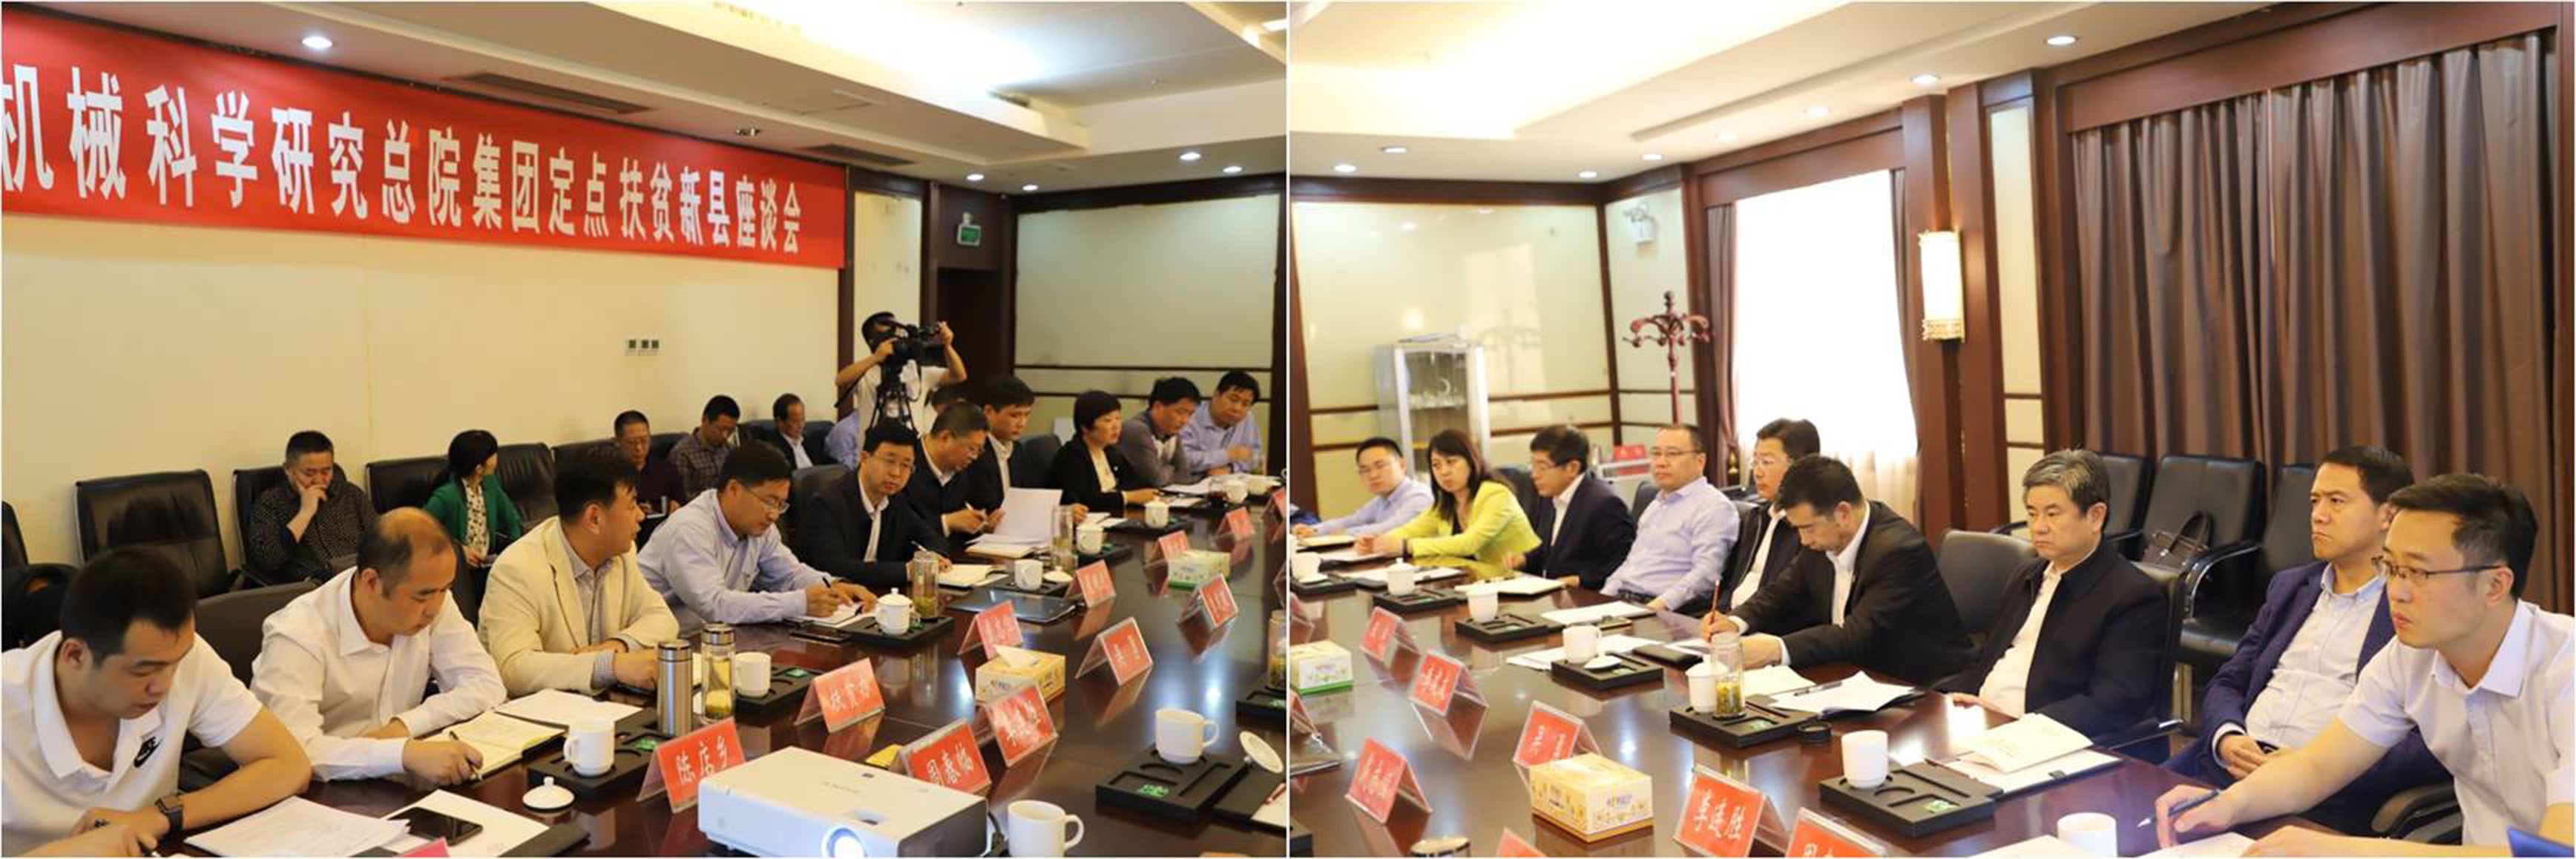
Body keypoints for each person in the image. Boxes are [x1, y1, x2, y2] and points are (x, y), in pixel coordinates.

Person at [2160, 474, 2573, 855]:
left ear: (2494, 585)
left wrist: (2348, 850)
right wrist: (2227, 805)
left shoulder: (2564, 667)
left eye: (2418, 572)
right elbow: (2317, 767)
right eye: (2390, 567)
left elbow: (2556, 854)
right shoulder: (2409, 658)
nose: (2397, 591)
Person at [2164, 446, 2447, 834]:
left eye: (2337, 501)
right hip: (2225, 767)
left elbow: (2429, 741)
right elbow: (2230, 680)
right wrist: (2228, 736)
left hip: (2324, 800)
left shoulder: (2412, 605)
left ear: (2389, 515)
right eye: (2315, 501)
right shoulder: (2291, 587)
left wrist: (2316, 765)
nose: (2318, 515)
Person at [1, 550, 312, 855]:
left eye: (177, 663)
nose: (164, 686)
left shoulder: (175, 653)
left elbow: (288, 764)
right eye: (143, 672)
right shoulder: (8, 704)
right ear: (76, 656)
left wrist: (159, 816)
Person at [250, 510, 505, 784]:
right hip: (323, 789)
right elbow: (293, 754)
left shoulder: (433, 597)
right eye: (423, 596)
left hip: (399, 781)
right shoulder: (298, 634)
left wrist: (404, 726)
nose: (435, 608)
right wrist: (401, 753)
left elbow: (486, 685)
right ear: (372, 582)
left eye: (445, 589)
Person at [1937, 450, 2166, 740]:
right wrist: (1946, 697)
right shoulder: (2028, 574)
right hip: (1984, 723)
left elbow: (2113, 703)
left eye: (2052, 514)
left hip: (2044, 739)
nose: (2038, 527)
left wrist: (2021, 726)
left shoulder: (2133, 596)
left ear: (2095, 516)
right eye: (2032, 513)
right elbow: (1987, 660)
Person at [1702, 455, 1971, 685]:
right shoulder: (1824, 537)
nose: (1803, 540)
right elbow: (1784, 591)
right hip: (1852, 673)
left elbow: (1856, 634)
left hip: (1916, 681)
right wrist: (1736, 621)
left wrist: (1776, 649)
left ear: (1843, 513)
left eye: (1808, 528)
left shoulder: (1898, 550)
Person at [477, 451, 677, 697]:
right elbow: (513, 669)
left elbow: (662, 618)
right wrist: (610, 666)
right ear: (594, 518)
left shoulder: (621, 553)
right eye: (632, 504)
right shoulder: (517, 568)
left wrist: (617, 647)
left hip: (604, 707)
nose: (641, 515)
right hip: (542, 714)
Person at [640, 445, 872, 628]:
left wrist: (835, 585)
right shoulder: (691, 528)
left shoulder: (759, 527)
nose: (774, 515)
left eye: (780, 504)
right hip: (662, 646)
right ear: (734, 489)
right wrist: (799, 603)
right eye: (769, 501)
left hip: (713, 639)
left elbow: (789, 574)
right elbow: (715, 605)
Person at [1587, 425, 1741, 610]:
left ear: (1700, 461)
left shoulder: (1714, 507)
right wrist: (1602, 601)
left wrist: (1654, 608)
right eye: (1656, 454)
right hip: (1625, 602)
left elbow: (1705, 575)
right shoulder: (1656, 504)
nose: (1661, 462)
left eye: (1672, 454)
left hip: (1664, 608)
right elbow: (1630, 565)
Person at [1353, 429, 1539, 579]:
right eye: (1436, 465)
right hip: (1479, 581)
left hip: (1524, 579)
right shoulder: (1447, 501)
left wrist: (1406, 546)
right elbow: (1413, 529)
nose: (1444, 471)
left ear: (1471, 461)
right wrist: (1377, 542)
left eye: (1451, 462)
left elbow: (1469, 543)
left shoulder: (1495, 494)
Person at [795, 424, 950, 590]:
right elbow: (835, 567)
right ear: (864, 458)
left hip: (878, 595)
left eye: (906, 465)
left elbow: (930, 537)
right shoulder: (827, 503)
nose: (896, 473)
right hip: (834, 598)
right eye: (889, 461)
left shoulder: (895, 501)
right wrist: (906, 571)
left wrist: (935, 557)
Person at [1511, 425, 1634, 590]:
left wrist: (1581, 580)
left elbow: (1624, 563)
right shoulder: (1550, 494)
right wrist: (1524, 559)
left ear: (1572, 468)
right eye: (1532, 466)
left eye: (1542, 467)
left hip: (1587, 597)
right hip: (1553, 592)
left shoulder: (1604, 504)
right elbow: (1550, 551)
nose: (1535, 475)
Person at [244, 430, 377, 581]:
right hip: (311, 588)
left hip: (359, 579)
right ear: (288, 470)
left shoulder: (350, 494)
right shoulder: (270, 503)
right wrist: (305, 514)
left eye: (326, 471)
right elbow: (269, 560)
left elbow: (379, 539)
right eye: (309, 474)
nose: (319, 480)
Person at [1716, 418, 1818, 613]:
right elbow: (1732, 584)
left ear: (1801, 466)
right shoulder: (1756, 518)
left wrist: (1737, 621)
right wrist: (1718, 614)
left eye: (1767, 462)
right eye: (1755, 462)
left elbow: (1790, 600)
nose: (1757, 472)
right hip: (1730, 619)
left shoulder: (1809, 528)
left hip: (1763, 625)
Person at [829, 313, 967, 446]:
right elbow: (840, 380)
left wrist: (947, 346)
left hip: (911, 452)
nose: (897, 339)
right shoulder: (866, 373)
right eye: (889, 335)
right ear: (874, 342)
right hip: (873, 454)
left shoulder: (916, 371)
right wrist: (876, 358)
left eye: (898, 334)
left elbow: (958, 376)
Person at [1293, 438, 1433, 539]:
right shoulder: (1382, 500)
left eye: (1380, 466)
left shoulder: (1419, 497)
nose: (1373, 475)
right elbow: (1352, 520)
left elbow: (1389, 529)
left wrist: (1343, 534)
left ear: (1402, 465)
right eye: (1365, 470)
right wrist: (1315, 530)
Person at [422, 430, 525, 568]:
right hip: (459, 569)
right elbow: (421, 533)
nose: (497, 456)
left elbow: (511, 520)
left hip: (486, 563)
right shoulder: (446, 496)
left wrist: (516, 550)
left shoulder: (489, 483)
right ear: (479, 468)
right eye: (493, 454)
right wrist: (458, 551)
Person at [899, 404, 997, 549]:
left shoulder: (960, 469)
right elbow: (898, 532)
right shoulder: (904, 465)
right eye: (972, 449)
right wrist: (947, 523)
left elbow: (959, 526)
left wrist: (981, 526)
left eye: (979, 451)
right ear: (945, 438)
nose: (975, 457)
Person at [1048, 391, 1160, 511]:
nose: (1116, 426)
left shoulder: (1110, 452)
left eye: (1118, 419)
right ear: (1085, 427)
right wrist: (1128, 497)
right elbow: (1084, 499)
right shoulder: (1071, 456)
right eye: (1108, 420)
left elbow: (1135, 482)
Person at [959, 375, 1049, 505]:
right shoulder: (974, 453)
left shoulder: (1018, 450)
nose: (1022, 423)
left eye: (1027, 415)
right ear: (989, 412)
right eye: (1015, 415)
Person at [1118, 377, 1202, 487]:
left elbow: (1185, 474)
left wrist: (1164, 469)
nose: (1185, 420)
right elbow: (1157, 479)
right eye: (1180, 412)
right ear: (1158, 406)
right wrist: (1173, 468)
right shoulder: (1137, 430)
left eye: (1190, 414)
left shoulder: (1171, 430)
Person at [1180, 370, 1264, 477]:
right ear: (1216, 395)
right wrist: (1228, 455)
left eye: (1245, 404)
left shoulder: (1248, 419)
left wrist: (1231, 468)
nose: (1237, 409)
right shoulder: (1190, 417)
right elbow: (1182, 460)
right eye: (1233, 400)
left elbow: (1256, 457)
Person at [612, 410, 685, 516]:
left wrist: (676, 505)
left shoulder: (666, 469)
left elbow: (681, 500)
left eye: (644, 440)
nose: (639, 448)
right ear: (617, 442)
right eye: (631, 443)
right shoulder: (609, 475)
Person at [669, 395, 740, 499]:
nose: (725, 436)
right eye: (721, 429)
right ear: (705, 420)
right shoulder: (683, 454)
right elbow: (683, 497)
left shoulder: (730, 449)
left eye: (731, 431)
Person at [758, 394, 829, 471]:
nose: (801, 425)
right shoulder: (772, 450)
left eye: (803, 419)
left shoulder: (811, 442)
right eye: (795, 421)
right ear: (779, 422)